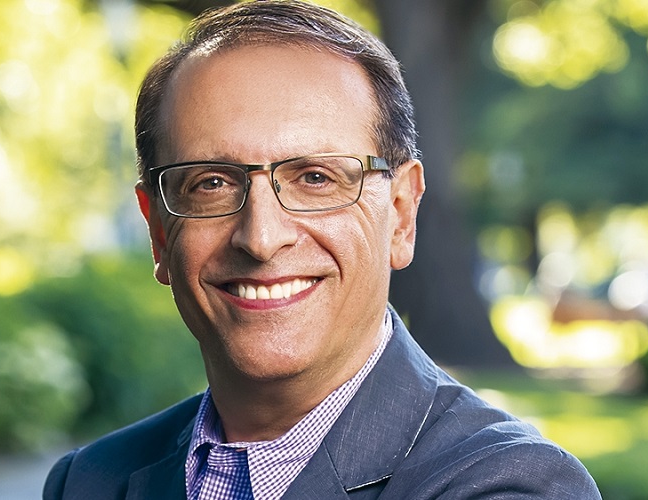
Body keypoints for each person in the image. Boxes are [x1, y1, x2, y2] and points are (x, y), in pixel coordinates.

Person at [44, 1, 601, 498]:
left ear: (401, 215)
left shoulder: (511, 485)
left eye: (315, 178)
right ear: (160, 233)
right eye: (211, 183)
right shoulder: (87, 482)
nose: (261, 238)